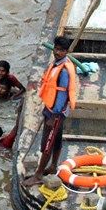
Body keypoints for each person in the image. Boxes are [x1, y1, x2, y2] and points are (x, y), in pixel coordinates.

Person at [35, 39, 80, 178]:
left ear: (66, 52)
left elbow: (61, 94)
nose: (57, 52)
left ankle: (38, 174)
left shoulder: (64, 71)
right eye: (56, 49)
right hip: (52, 108)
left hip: (56, 112)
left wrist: (54, 116)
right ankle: (53, 166)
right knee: (57, 138)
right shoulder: (57, 64)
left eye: (61, 50)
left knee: (48, 142)